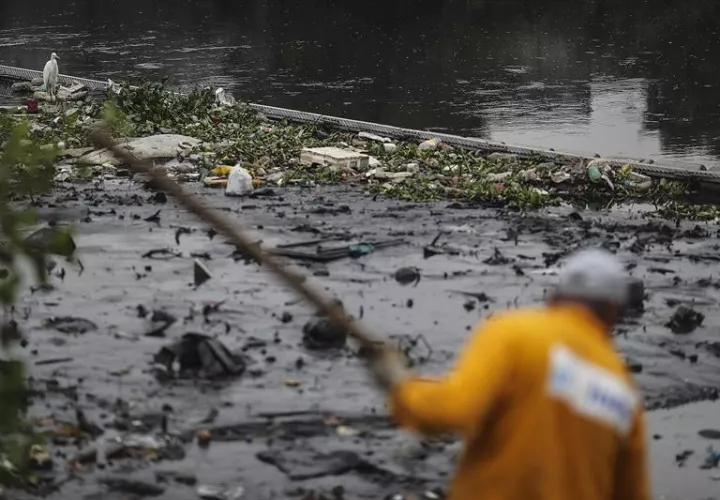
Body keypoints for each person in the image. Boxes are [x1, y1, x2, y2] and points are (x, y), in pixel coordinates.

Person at [367, 247, 651, 500]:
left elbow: (451, 411)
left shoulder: (512, 333)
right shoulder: (624, 391)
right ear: (614, 311)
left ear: (555, 296)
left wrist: (401, 387)